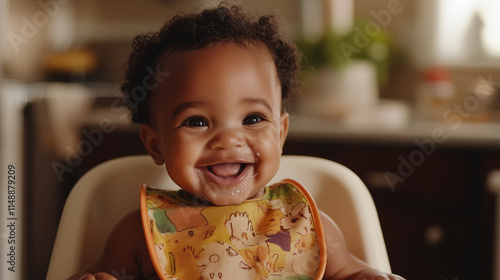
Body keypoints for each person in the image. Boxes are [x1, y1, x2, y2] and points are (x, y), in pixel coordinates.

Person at [70, 4, 404, 280]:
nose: (229, 139)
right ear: (155, 144)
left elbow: (352, 274)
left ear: (281, 132)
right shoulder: (138, 233)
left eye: (253, 119)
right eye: (197, 121)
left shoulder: (307, 223)